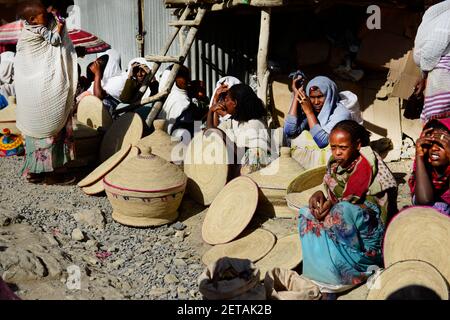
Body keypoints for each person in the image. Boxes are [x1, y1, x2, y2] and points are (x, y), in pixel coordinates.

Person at [297, 120, 397, 295]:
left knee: (341, 211)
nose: (337, 153)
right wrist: (319, 194)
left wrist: (332, 204)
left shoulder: (367, 163)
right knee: (306, 213)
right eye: (333, 147)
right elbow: (334, 193)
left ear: (358, 145)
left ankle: (357, 266)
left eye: (342, 147)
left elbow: (351, 199)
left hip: (370, 238)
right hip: (346, 225)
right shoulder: (336, 166)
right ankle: (322, 267)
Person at [15, 0, 77, 184]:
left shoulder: (27, 29)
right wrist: (59, 27)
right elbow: (55, 42)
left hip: (32, 94)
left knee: (38, 132)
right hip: (44, 91)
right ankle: (53, 174)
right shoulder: (37, 32)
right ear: (33, 19)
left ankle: (35, 171)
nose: (50, 14)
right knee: (51, 129)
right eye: (45, 13)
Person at [284, 75, 351, 170]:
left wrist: (309, 112)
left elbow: (323, 141)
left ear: (329, 95)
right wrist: (296, 94)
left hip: (331, 168)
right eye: (312, 97)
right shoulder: (312, 110)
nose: (316, 102)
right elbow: (290, 131)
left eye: (320, 97)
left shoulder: (342, 114)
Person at [207, 83, 271, 174]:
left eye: (227, 99)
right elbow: (209, 135)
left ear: (235, 103)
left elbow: (251, 159)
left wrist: (224, 137)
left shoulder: (255, 125)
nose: (224, 101)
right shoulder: (234, 122)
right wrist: (211, 111)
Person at [413, 0, 450, 123]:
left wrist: (424, 71)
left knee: (438, 122)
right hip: (439, 73)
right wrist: (423, 75)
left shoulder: (446, 15)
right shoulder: (441, 14)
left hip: (443, 76)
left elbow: (435, 46)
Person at [408, 118, 450, 215]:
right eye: (430, 144)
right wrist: (419, 156)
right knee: (436, 208)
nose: (434, 148)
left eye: (441, 144)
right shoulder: (424, 166)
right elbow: (425, 200)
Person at [85, 48, 126, 115]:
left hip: (110, 116)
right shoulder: (104, 80)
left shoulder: (119, 80)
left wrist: (97, 74)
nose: (97, 65)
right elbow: (87, 93)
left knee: (104, 103)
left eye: (99, 63)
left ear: (110, 64)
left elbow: (98, 96)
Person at [157, 64, 193, 135]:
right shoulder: (181, 101)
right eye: (183, 76)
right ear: (173, 80)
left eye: (187, 75)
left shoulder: (171, 97)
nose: (188, 79)